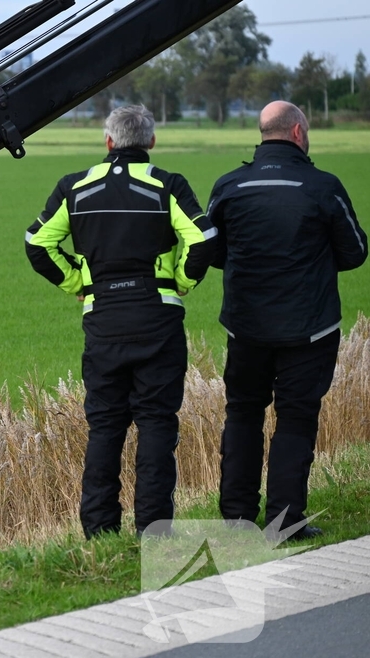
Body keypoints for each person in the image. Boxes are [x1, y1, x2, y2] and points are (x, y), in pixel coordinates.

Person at [25, 105, 217, 539]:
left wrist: (77, 280)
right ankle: (153, 530)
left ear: (108, 143)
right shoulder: (168, 185)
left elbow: (38, 243)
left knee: (106, 425)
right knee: (156, 423)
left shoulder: (74, 187)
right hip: (158, 318)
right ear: (150, 142)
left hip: (104, 321)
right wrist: (182, 280)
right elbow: (203, 238)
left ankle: (99, 529)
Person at [207, 100, 367, 540]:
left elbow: (212, 250)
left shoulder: (229, 186)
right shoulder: (324, 186)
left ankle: (237, 519)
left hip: (246, 327)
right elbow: (355, 251)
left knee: (242, 414)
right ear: (298, 132)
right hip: (308, 329)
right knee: (296, 419)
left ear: (264, 133)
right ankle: (284, 522)